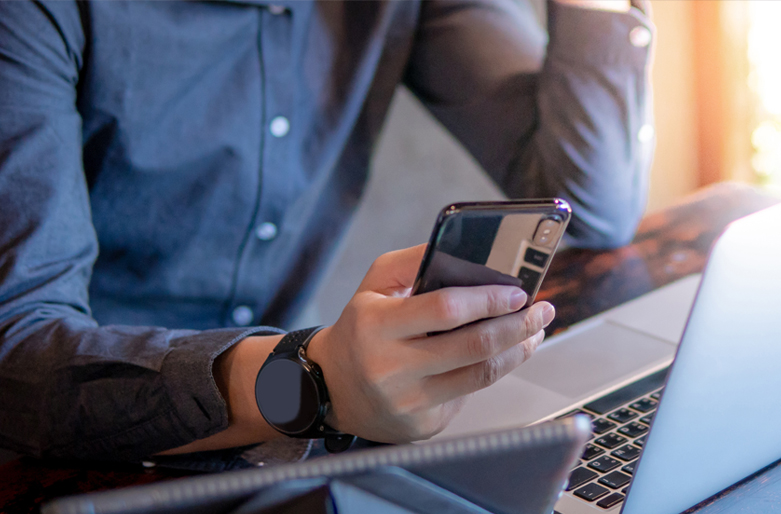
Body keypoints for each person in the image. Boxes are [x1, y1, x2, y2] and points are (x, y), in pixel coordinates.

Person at [0, 0, 653, 468]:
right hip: (55, 467)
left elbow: (589, 204)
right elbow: (17, 364)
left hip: (279, 447)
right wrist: (313, 380)